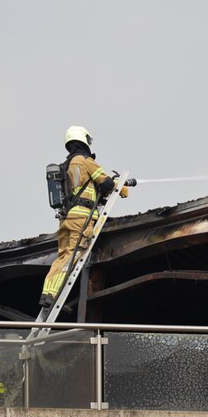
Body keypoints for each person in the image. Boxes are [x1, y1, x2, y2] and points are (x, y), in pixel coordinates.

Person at [39, 125, 129, 308]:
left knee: (62, 256)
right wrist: (122, 188)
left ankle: (47, 292)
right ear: (84, 139)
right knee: (72, 256)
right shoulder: (84, 160)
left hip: (66, 219)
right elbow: (106, 182)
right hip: (81, 219)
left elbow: (87, 189)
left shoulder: (66, 165)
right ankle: (52, 297)